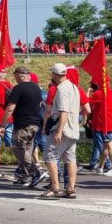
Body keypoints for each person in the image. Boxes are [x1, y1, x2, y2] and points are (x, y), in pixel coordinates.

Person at [40, 63, 81, 199]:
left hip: (63, 129)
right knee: (70, 158)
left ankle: (55, 186)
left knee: (49, 156)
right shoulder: (74, 87)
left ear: (55, 74)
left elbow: (64, 112)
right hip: (73, 128)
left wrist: (58, 131)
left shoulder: (62, 89)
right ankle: (70, 188)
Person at [3, 65, 45, 188]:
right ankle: (24, 176)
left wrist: (3, 124)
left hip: (23, 124)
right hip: (35, 123)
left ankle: (34, 171)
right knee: (27, 149)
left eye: (15, 75)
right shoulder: (36, 87)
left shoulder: (18, 88)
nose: (15, 78)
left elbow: (10, 107)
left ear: (20, 75)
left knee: (18, 147)